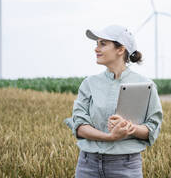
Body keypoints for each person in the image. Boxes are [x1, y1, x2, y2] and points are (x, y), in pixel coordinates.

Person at [64, 24, 163, 178]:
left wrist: (129, 127)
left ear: (120, 49)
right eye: (96, 44)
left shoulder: (145, 85)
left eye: (103, 44)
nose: (96, 49)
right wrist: (110, 137)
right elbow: (79, 127)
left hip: (126, 166)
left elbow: (151, 129)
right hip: (87, 165)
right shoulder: (89, 83)